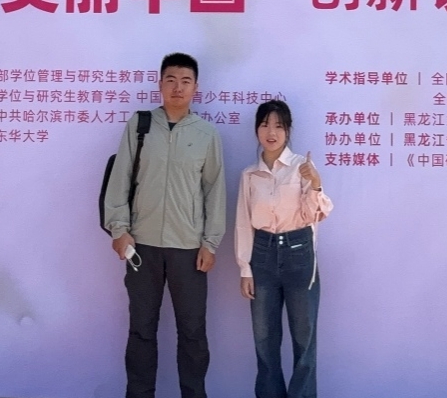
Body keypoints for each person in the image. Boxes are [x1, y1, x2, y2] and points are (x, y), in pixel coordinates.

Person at [102, 53, 226, 398]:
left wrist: (210, 243)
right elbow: (120, 178)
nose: (177, 87)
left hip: (189, 248)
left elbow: (214, 190)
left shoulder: (206, 134)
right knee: (141, 330)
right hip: (141, 246)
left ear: (196, 88)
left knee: (193, 332)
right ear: (160, 84)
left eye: (185, 81)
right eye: (171, 80)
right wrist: (119, 229)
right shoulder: (140, 125)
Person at [235, 100, 333, 398]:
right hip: (262, 254)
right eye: (265, 124)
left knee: (304, 338)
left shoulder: (302, 167)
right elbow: (243, 223)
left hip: (298, 251)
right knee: (264, 341)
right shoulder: (249, 175)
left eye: (279, 125)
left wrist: (315, 184)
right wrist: (245, 268)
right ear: (256, 130)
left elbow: (314, 215)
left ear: (288, 131)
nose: (271, 132)